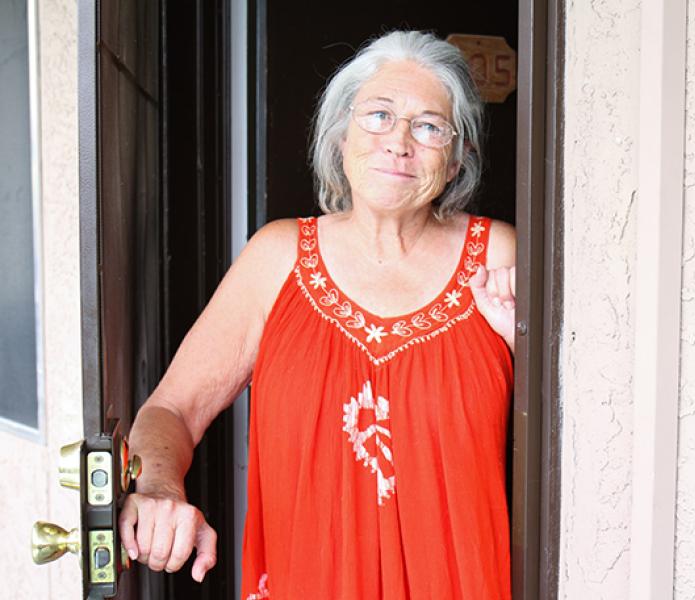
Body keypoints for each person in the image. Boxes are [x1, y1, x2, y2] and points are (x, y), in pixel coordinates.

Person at [118, 30, 516, 599]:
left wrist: (525, 346)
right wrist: (159, 488)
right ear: (341, 137)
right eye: (378, 115)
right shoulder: (277, 259)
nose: (399, 142)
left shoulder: (499, 259)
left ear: (455, 161)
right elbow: (173, 409)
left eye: (429, 126)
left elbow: (577, 428)